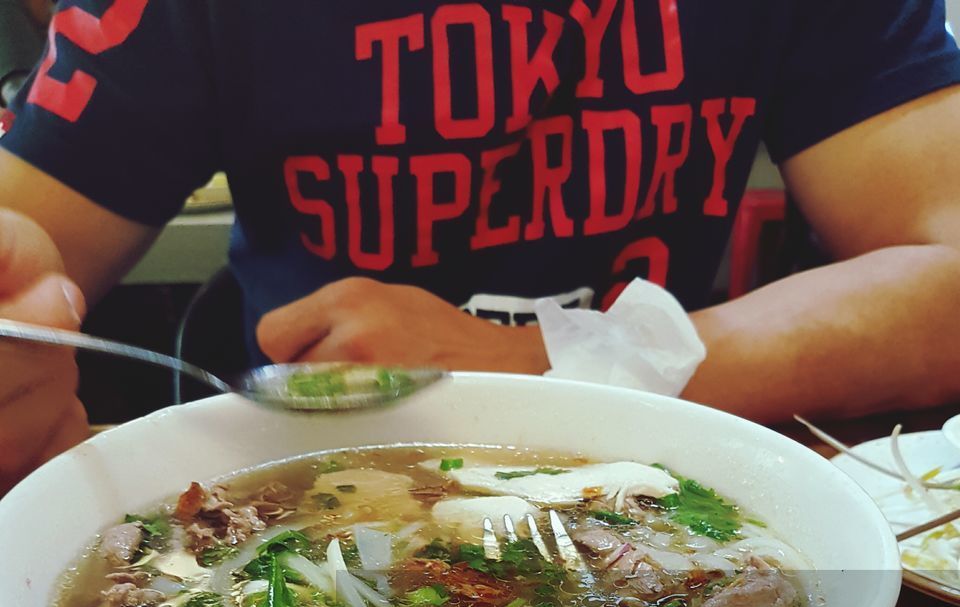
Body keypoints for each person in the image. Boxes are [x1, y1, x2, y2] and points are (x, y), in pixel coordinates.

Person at [2, 0, 960, 488]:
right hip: (300, 490)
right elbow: (27, 240)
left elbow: (946, 271)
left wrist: (549, 367)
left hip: (654, 490)